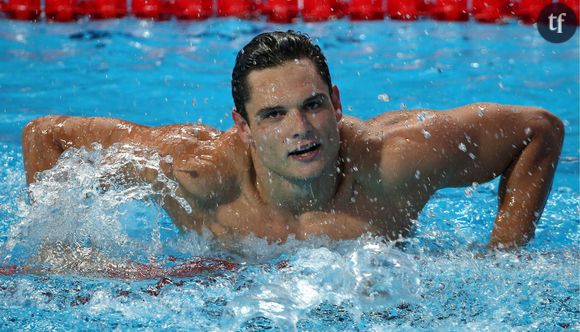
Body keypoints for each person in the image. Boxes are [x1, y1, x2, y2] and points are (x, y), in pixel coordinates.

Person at [22, 30, 564, 249]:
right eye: (274, 114)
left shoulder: (397, 160)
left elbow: (538, 130)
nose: (300, 130)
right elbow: (45, 137)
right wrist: (64, 258)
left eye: (312, 106)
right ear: (243, 125)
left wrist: (504, 256)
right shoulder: (196, 172)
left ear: (336, 102)